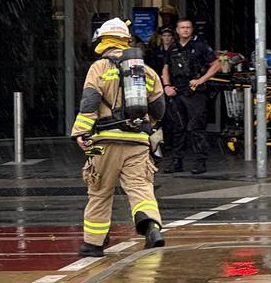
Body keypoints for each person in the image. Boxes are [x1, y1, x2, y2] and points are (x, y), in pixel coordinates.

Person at [71, 17, 166, 256]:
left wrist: (81, 132)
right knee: (141, 188)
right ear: (126, 40)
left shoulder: (99, 68)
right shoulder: (146, 71)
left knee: (100, 192)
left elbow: (89, 102)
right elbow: (159, 109)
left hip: (104, 142)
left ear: (103, 40)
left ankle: (93, 243)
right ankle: (152, 227)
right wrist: (145, 124)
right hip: (138, 142)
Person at [161, 18, 221, 175]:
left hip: (195, 93)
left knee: (196, 127)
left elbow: (216, 64)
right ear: (177, 30)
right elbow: (166, 68)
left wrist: (201, 80)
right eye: (182, 27)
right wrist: (167, 86)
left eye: (188, 27)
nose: (185, 30)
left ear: (192, 29)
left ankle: (200, 161)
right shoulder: (172, 47)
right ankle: (177, 161)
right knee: (177, 127)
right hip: (177, 91)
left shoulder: (200, 46)